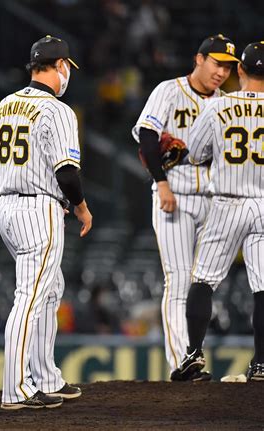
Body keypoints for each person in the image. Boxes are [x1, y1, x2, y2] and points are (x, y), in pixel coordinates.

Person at [0, 35, 93, 409]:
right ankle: (16, 387)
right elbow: (66, 171)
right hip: (38, 208)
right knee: (30, 298)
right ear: (61, 67)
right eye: (67, 68)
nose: (68, 75)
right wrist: (80, 207)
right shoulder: (58, 110)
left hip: (8, 207)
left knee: (50, 288)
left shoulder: (6, 104)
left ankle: (46, 375)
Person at [132, 34, 239, 381]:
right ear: (199, 58)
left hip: (213, 199)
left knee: (203, 284)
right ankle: (184, 361)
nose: (222, 72)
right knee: (178, 280)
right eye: (217, 63)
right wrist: (160, 181)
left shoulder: (228, 104)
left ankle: (193, 352)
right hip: (174, 196)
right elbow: (147, 136)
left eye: (228, 66)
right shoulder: (168, 90)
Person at [174, 41, 264, 382]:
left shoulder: (218, 106)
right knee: (263, 287)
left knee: (203, 282)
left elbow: (194, 153)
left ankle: (194, 354)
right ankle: (262, 363)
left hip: (227, 202)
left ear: (240, 69)